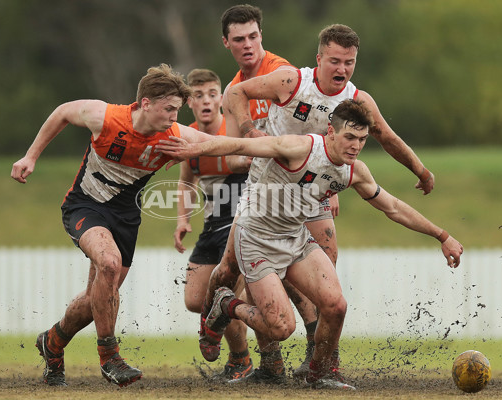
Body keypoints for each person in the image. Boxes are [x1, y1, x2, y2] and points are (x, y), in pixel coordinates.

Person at [156, 98, 463, 390]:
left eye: (362, 139)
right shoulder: (299, 148)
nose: (355, 146)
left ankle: (319, 372)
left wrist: (442, 235)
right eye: (349, 137)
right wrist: (192, 149)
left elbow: (393, 207)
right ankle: (227, 304)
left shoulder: (354, 170)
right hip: (257, 239)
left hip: (295, 238)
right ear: (331, 131)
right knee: (281, 328)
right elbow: (240, 144)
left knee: (336, 305)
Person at [205, 22, 437, 382]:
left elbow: (387, 138)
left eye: (349, 62)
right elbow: (234, 93)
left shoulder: (357, 101)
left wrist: (420, 169)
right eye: (334, 61)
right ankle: (255, 349)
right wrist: (250, 130)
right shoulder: (292, 82)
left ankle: (321, 359)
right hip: (270, 192)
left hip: (314, 191)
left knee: (324, 275)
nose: (342, 69)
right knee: (230, 270)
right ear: (319, 59)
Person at [10, 64, 218, 387]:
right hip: (85, 206)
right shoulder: (106, 118)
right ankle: (110, 357)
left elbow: (217, 143)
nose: (175, 118)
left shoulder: (172, 136)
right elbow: (64, 112)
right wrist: (30, 157)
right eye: (169, 110)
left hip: (126, 220)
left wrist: (197, 150)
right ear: (146, 103)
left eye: (178, 110)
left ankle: (52, 342)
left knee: (101, 297)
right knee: (109, 262)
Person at [196, 4, 320, 383]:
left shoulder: (281, 73)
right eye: (239, 39)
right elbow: (234, 158)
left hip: (303, 190)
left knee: (308, 283)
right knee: (238, 274)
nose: (248, 45)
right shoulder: (233, 92)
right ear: (226, 43)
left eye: (253, 36)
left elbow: (313, 129)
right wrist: (256, 149)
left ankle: (316, 361)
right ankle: (269, 363)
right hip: (258, 195)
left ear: (261, 36)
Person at [174, 68, 253, 380]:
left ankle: (241, 361)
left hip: (238, 224)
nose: (205, 101)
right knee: (196, 300)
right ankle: (249, 308)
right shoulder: (188, 139)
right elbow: (185, 181)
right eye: (198, 95)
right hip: (211, 225)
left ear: (221, 99)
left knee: (221, 297)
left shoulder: (231, 133)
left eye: (211, 94)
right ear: (189, 102)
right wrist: (182, 218)